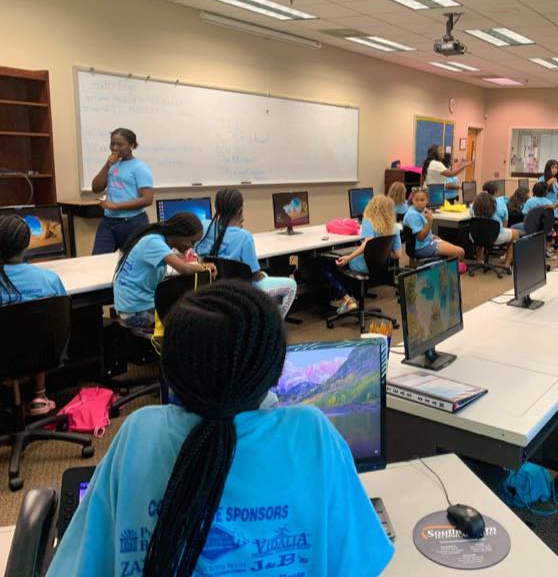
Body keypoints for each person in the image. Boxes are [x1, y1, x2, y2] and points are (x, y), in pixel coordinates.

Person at [47, 282, 394, 576]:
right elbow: (359, 564)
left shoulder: (138, 433)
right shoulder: (311, 434)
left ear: (170, 371)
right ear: (275, 372)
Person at [0, 215, 66, 415]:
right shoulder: (49, 279)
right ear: (27, 244)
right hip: (42, 354)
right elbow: (60, 319)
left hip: (3, 354)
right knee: (37, 330)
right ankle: (39, 395)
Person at [195, 188, 296, 318]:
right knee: (291, 285)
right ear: (240, 209)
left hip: (215, 287)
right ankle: (272, 325)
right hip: (242, 289)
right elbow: (255, 276)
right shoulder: (244, 237)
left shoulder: (204, 226)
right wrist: (264, 275)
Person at [113, 212, 215, 329]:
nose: (192, 247)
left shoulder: (156, 239)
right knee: (190, 323)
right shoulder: (153, 242)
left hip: (134, 307)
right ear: (179, 233)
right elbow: (184, 269)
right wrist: (205, 267)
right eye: (192, 242)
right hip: (136, 312)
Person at [322, 195, 402, 314]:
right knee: (344, 263)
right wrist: (381, 253)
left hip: (364, 265)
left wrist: (348, 258)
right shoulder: (395, 228)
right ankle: (352, 296)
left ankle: (348, 300)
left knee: (327, 266)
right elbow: (398, 255)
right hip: (379, 267)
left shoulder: (368, 221)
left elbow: (366, 244)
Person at [90, 128, 154, 255]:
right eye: (112, 144)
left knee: (132, 261)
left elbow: (147, 199)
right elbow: (96, 188)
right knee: (98, 259)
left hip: (133, 222)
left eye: (120, 144)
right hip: (108, 222)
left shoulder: (140, 168)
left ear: (132, 145)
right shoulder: (112, 165)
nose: (115, 148)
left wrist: (116, 206)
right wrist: (107, 165)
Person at [403, 188, 465, 263]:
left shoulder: (421, 210)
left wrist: (432, 236)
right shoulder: (413, 215)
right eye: (416, 200)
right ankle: (449, 268)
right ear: (412, 200)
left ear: (427, 201)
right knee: (460, 252)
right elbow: (421, 237)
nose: (419, 203)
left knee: (455, 251)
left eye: (422, 200)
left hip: (428, 241)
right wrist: (430, 221)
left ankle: (447, 267)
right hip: (422, 247)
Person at [470, 192, 519, 267]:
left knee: (481, 232)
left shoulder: (472, 209)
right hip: (495, 237)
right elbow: (505, 226)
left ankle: (479, 260)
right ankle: (507, 265)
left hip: (476, 236)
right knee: (515, 234)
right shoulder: (501, 209)